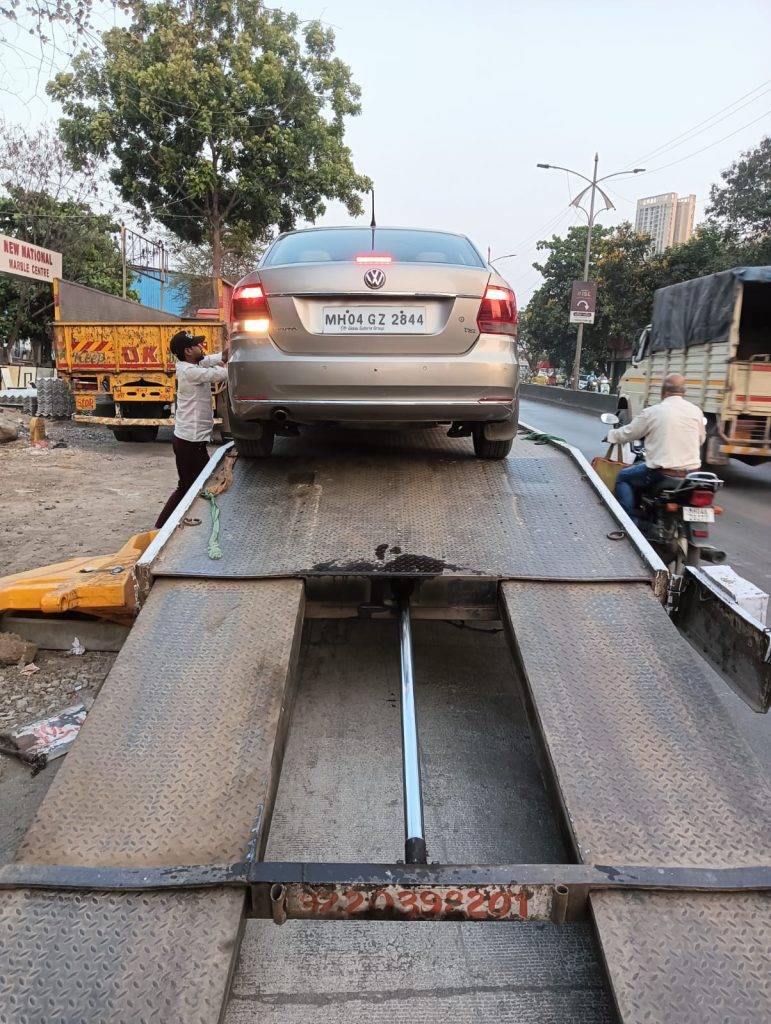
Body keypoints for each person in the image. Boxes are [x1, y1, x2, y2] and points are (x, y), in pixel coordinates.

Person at [155, 330, 229, 528]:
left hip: (193, 441)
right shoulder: (190, 372)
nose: (201, 347)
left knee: (202, 481)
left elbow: (210, 360)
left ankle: (175, 522)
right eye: (197, 345)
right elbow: (219, 373)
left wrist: (224, 355)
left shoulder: (192, 364)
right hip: (189, 442)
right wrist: (236, 363)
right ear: (188, 351)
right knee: (187, 486)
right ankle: (160, 527)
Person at [607, 373, 705, 520]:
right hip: (691, 474)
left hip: (663, 473)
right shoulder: (696, 411)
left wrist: (611, 436)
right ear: (683, 392)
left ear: (663, 392)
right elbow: (701, 439)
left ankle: (627, 523)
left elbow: (629, 432)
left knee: (623, 477)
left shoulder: (653, 412)